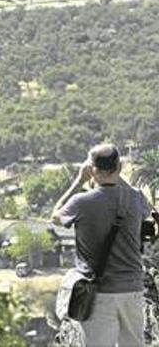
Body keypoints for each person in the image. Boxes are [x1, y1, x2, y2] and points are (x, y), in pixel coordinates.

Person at [52, 144, 150, 347]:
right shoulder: (135, 198)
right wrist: (117, 175)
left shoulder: (81, 202)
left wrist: (79, 181)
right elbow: (148, 209)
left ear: (92, 170)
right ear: (120, 167)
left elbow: (55, 216)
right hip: (133, 288)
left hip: (100, 293)